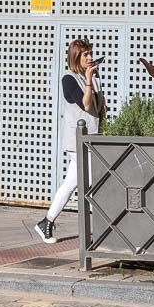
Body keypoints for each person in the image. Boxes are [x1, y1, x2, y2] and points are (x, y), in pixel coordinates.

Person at [35, 38, 106, 244]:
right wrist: (89, 80)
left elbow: (98, 108)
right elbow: (84, 104)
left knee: (70, 184)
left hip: (91, 139)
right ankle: (104, 229)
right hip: (77, 142)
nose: (90, 57)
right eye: (86, 55)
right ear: (76, 57)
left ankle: (46, 222)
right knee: (96, 180)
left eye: (91, 53)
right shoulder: (69, 79)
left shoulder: (94, 78)